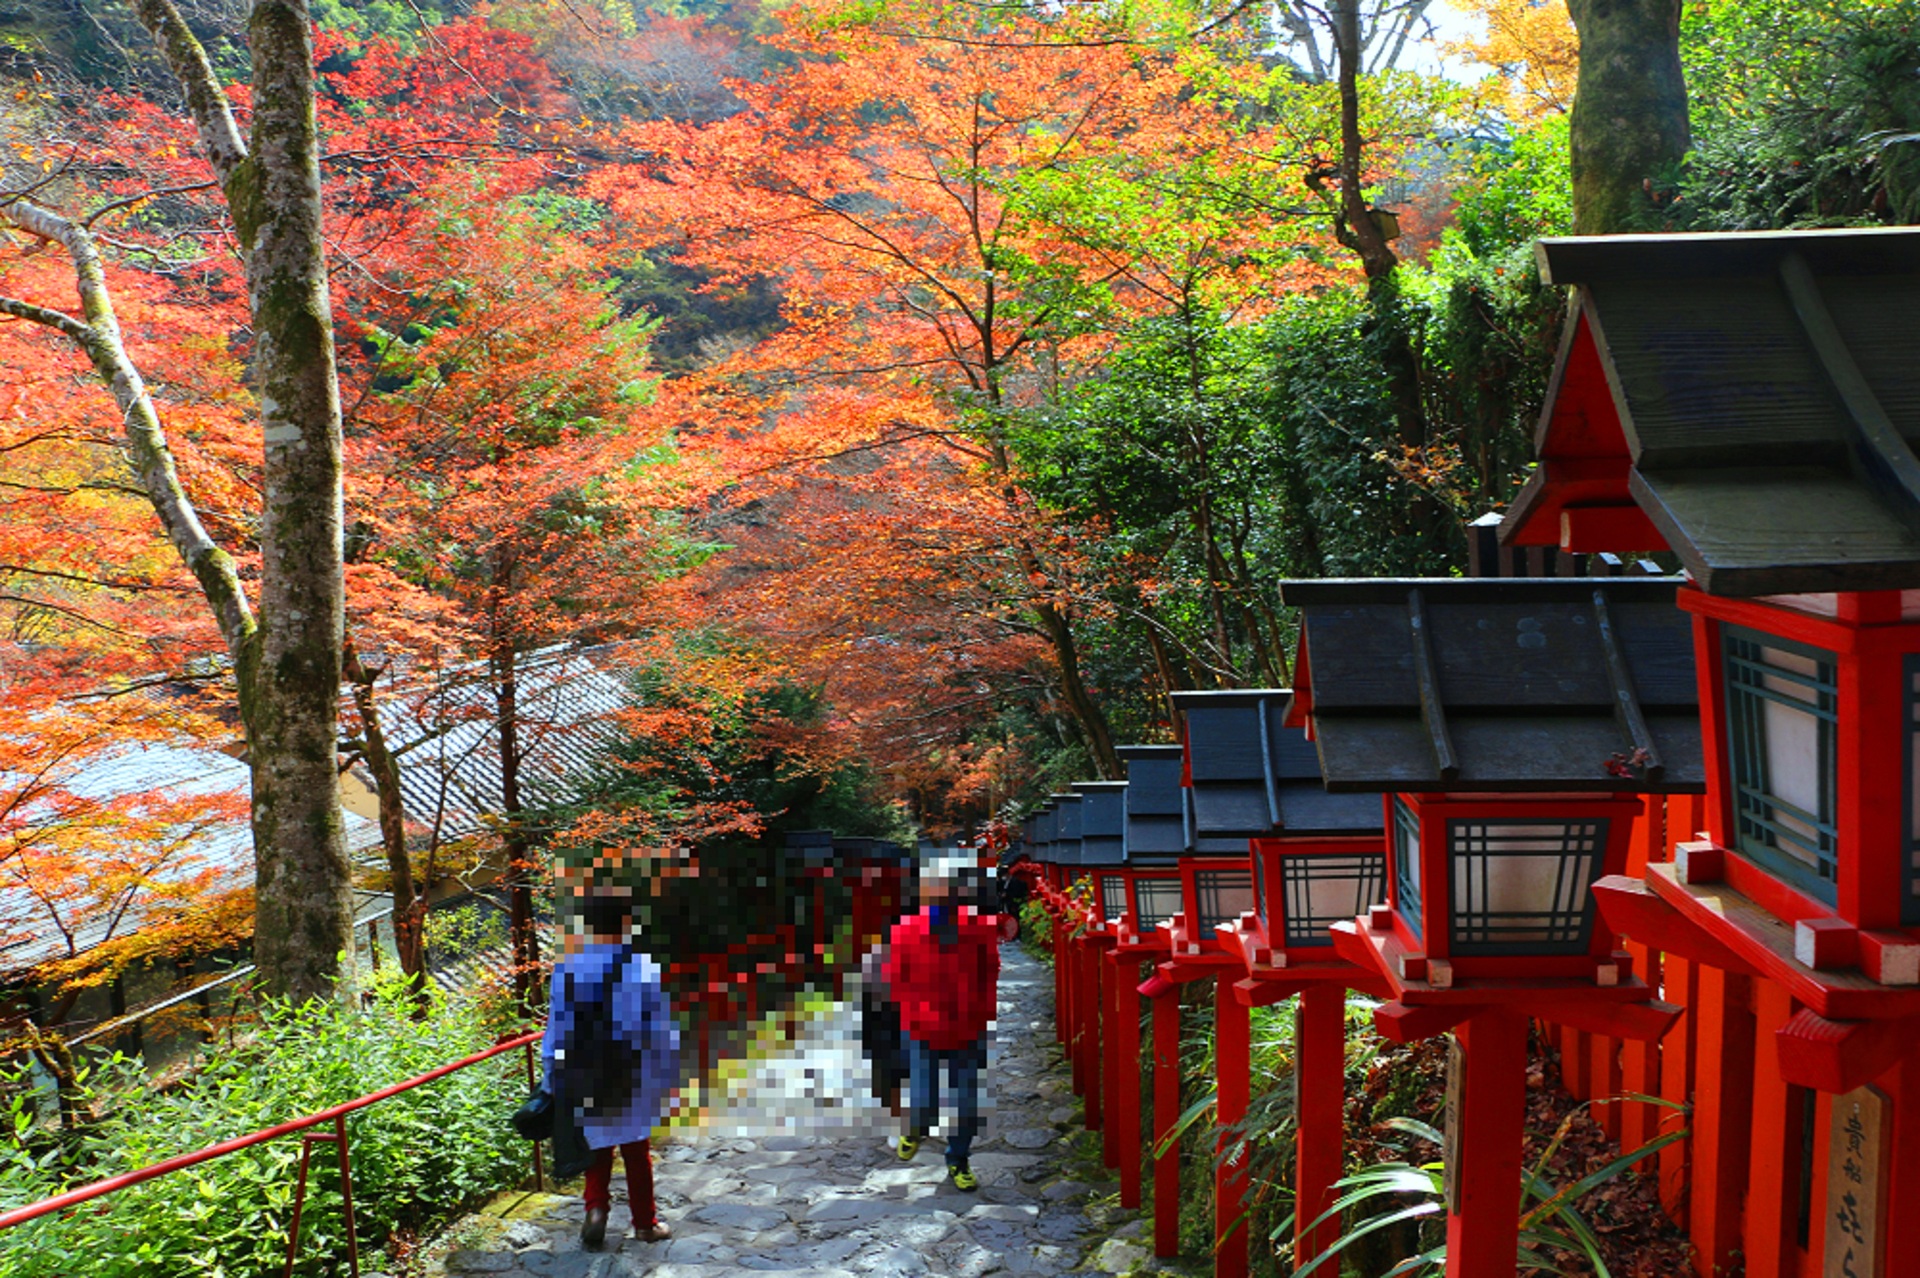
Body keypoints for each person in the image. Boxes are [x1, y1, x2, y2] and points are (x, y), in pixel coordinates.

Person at [540, 890, 680, 1250]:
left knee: (596, 1143)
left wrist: (550, 1077)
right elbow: (660, 1028)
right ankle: (645, 1224)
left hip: (583, 1067)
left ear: (586, 925)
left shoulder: (566, 968)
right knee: (636, 1150)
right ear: (627, 922)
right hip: (631, 1069)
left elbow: (556, 1030)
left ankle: (596, 1210)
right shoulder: (642, 966)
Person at [882, 856, 1001, 1191]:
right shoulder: (906, 929)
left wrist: (982, 1013)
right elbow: (896, 978)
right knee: (924, 1097)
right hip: (922, 1026)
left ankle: (958, 1159)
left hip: (968, 1026)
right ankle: (915, 1127)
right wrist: (911, 1014)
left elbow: (990, 970)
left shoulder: (978, 927)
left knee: (966, 1101)